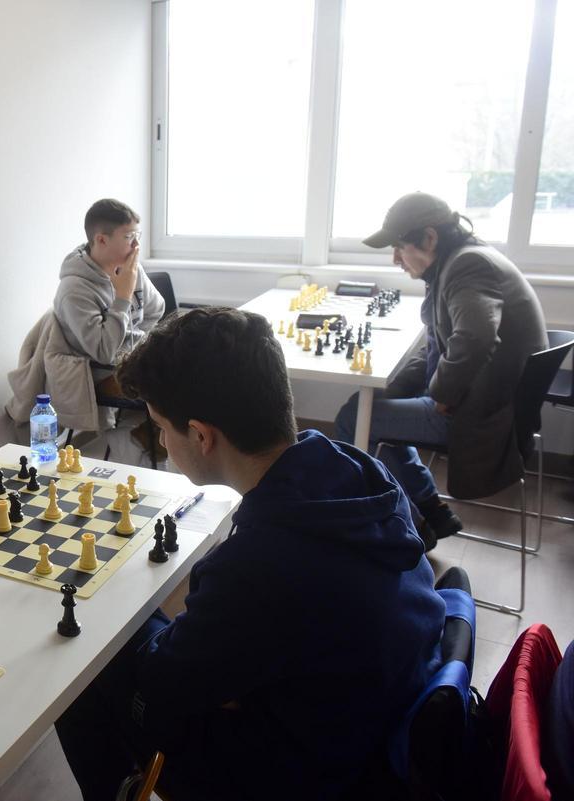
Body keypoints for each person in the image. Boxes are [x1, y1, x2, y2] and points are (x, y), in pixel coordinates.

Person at [54, 308, 446, 800]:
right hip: (374, 727)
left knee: (86, 663)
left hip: (303, 773)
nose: (159, 440)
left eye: (159, 427)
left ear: (201, 435)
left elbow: (162, 681)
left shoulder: (260, 566)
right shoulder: (359, 469)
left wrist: (133, 614)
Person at [335, 192, 546, 547]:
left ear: (430, 238)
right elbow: (439, 345)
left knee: (354, 417)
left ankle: (406, 526)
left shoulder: (468, 266)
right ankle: (430, 513)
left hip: (481, 415)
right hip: (494, 404)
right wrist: (391, 389)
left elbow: (475, 337)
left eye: (400, 248)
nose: (395, 260)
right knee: (371, 406)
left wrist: (442, 394)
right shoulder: (459, 261)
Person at [53, 199, 166, 391]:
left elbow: (156, 309)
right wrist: (123, 297)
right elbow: (103, 352)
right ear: (102, 240)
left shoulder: (132, 269)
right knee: (178, 379)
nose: (137, 244)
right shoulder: (73, 290)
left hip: (131, 361)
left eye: (137, 235)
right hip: (98, 374)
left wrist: (136, 347)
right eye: (129, 237)